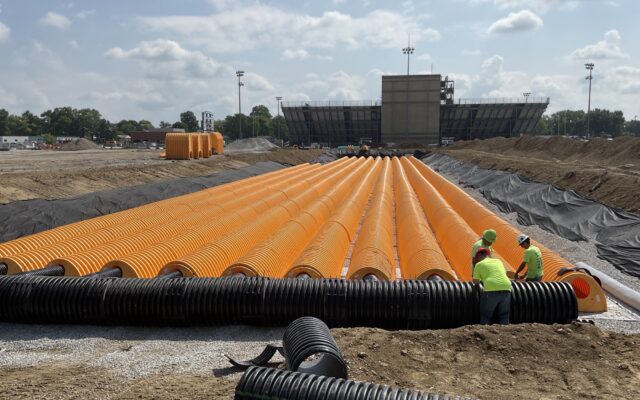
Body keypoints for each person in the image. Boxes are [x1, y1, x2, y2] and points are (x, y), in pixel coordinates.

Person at [472, 247, 512, 325]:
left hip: (491, 289)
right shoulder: (498, 261)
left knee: (486, 314)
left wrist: (481, 280)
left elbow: (475, 282)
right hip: (506, 287)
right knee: (504, 314)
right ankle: (505, 333)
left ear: (479, 256)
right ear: (487, 255)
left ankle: (485, 331)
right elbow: (503, 274)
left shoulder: (479, 264)